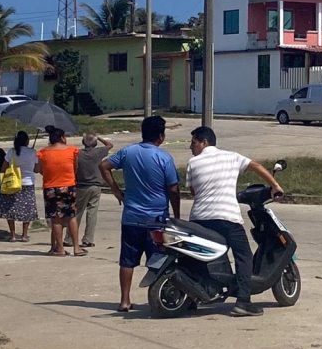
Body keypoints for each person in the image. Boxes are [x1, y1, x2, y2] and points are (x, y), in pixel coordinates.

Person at [186, 126, 284, 316]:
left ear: (204, 143)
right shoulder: (232, 157)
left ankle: (194, 296)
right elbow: (256, 165)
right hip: (226, 218)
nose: (191, 147)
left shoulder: (193, 163)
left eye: (193, 143)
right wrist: (275, 186)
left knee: (199, 254)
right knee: (243, 256)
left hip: (199, 218)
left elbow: (193, 192)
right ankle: (243, 302)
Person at [99, 116, 181, 313]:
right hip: (156, 220)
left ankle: (124, 300)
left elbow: (104, 165)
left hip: (132, 218)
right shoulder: (164, 158)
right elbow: (173, 189)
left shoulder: (128, 152)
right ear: (161, 136)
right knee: (159, 260)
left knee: (127, 261)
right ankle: (156, 298)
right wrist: (176, 215)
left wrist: (115, 190)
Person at [37, 128, 86, 257]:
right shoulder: (72, 150)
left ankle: (59, 248)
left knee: (56, 219)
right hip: (69, 186)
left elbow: (39, 169)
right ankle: (76, 247)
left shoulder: (42, 152)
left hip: (51, 187)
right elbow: (75, 167)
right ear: (62, 137)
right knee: (71, 216)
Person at [66, 133, 113, 248]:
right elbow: (109, 145)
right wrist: (98, 137)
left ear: (83, 142)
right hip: (95, 185)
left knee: (77, 213)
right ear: (95, 143)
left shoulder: (78, 153)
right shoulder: (99, 152)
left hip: (81, 185)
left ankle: (70, 238)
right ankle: (88, 239)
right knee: (92, 213)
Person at [0, 131, 40, 242]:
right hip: (28, 183)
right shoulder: (33, 152)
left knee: (10, 208)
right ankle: (24, 235)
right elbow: (37, 169)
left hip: (12, 183)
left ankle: (12, 235)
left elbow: (3, 168)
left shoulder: (11, 152)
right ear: (27, 141)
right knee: (27, 209)